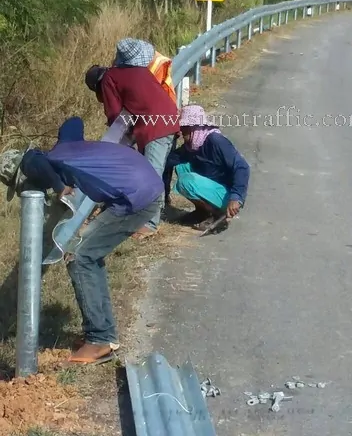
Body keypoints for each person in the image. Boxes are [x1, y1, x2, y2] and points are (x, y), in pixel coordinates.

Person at [0, 116, 164, 365]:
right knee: (89, 253)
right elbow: (74, 122)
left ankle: (99, 338)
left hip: (137, 196)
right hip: (145, 182)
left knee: (80, 257)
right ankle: (104, 335)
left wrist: (56, 186)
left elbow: (32, 159)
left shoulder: (41, 161)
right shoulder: (64, 147)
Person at [85, 38, 179, 239]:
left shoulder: (110, 79)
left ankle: (151, 224)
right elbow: (141, 102)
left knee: (151, 175)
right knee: (152, 171)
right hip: (168, 119)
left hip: (155, 128)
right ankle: (144, 214)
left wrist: (119, 138)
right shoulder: (140, 71)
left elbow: (114, 115)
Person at [163, 104, 250, 230]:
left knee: (186, 181)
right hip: (212, 186)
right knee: (182, 166)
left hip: (227, 194)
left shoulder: (216, 141)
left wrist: (236, 197)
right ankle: (202, 212)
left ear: (194, 127)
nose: (181, 132)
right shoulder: (192, 145)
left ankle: (217, 214)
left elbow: (242, 167)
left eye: (184, 128)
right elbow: (169, 160)